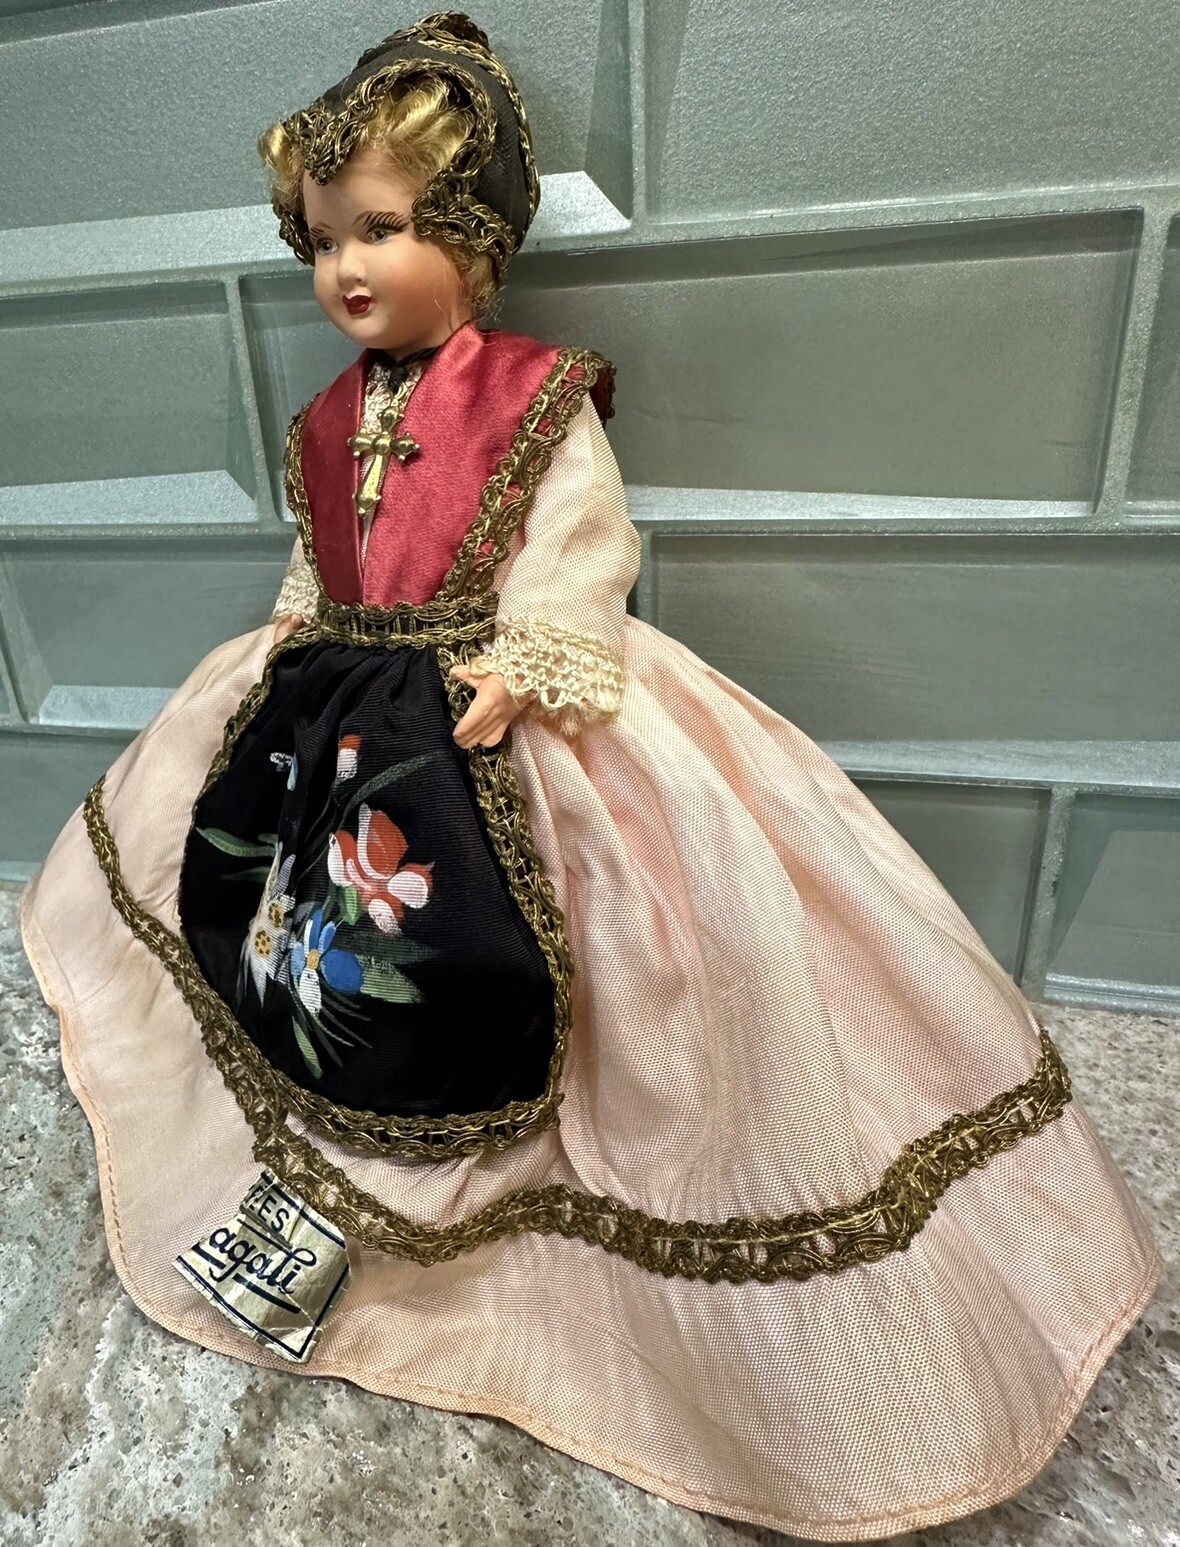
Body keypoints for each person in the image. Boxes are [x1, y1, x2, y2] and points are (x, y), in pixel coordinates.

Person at [19, 11, 1159, 1540]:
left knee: (627, 961)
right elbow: (319, 561)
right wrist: (294, 641)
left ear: (474, 239)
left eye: (382, 229)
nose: (345, 268)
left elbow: (580, 548)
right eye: (323, 240)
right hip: (341, 699)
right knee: (267, 890)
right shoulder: (326, 419)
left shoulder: (532, 397)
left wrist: (533, 658)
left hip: (500, 708)